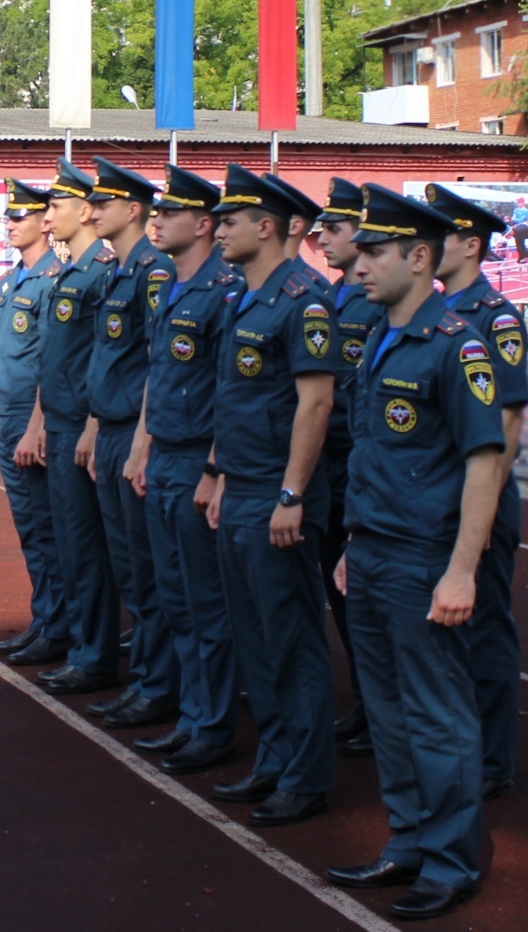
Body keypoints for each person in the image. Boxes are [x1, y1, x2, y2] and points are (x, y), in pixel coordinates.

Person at [328, 185, 508, 921]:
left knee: (437, 715)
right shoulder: (379, 335)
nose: (359, 265)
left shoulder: (456, 345)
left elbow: (485, 460)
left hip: (423, 558)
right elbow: (373, 452)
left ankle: (451, 860)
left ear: (419, 256)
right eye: (361, 251)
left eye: (374, 252)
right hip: (371, 553)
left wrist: (462, 568)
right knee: (388, 711)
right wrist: (349, 543)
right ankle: (408, 840)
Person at [204, 165, 339, 826]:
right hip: (244, 487)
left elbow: (314, 405)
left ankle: (307, 776)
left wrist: (292, 494)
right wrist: (222, 477)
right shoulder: (241, 297)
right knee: (256, 639)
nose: (219, 229)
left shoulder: (304, 300)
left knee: (293, 641)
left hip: (281, 498)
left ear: (267, 226)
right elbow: (238, 403)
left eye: (230, 220)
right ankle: (276, 762)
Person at [425, 184, 528, 800]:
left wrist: (485, 504)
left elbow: (509, 418)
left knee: (486, 626)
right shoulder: (438, 313)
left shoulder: (495, 317)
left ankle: (492, 760)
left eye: (439, 235)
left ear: (470, 244)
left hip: (482, 493)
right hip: (446, 491)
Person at [135, 166, 243, 773]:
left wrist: (213, 467)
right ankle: (191, 714)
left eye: (169, 213)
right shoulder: (172, 287)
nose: (157, 219)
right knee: (175, 597)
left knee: (205, 604)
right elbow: (162, 373)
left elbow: (227, 390)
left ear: (201, 224)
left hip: (198, 456)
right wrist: (144, 445)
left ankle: (212, 724)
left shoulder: (221, 291)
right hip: (167, 454)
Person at [83, 158, 178, 729]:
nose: (92, 212)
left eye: (102, 204)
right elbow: (108, 359)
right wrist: (97, 426)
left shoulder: (153, 271)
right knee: (129, 567)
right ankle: (146, 678)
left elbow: (154, 364)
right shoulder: (118, 270)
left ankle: (158, 685)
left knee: (147, 570)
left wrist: (141, 440)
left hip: (137, 433)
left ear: (132, 209)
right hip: (112, 429)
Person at [34, 160, 125, 696]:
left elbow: (104, 358)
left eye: (55, 207)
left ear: (84, 211)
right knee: (72, 544)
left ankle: (95, 655)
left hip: (86, 426)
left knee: (89, 548)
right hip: (64, 422)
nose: (48, 220)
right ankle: (84, 646)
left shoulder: (100, 274)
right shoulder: (72, 273)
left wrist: (88, 422)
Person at [0, 179, 71, 667]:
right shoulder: (9, 280)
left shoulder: (54, 279)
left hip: (37, 418)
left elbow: (50, 361)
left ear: (43, 223)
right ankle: (44, 619)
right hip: (10, 415)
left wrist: (35, 425)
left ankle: (58, 626)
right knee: (29, 529)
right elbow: (0, 356)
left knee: (47, 525)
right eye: (8, 217)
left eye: (20, 217)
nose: (11, 225)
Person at [316, 177, 382, 757]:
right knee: (342, 597)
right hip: (332, 461)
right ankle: (366, 702)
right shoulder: (336, 295)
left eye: (333, 229)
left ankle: (376, 705)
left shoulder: (367, 304)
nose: (322, 240)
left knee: (359, 595)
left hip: (349, 460)